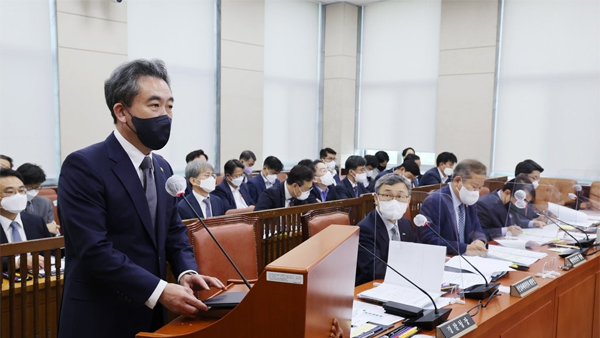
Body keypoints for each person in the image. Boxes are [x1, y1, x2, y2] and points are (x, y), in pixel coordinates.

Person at [57, 59, 225, 338]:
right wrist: (159, 290)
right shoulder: (84, 165)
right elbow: (94, 249)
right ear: (122, 112)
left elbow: (173, 232)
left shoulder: (162, 167)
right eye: (155, 105)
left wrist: (185, 272)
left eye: (170, 106)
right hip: (101, 316)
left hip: (152, 316)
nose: (166, 115)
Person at [356, 174, 417, 286]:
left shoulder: (406, 223)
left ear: (408, 200)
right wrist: (410, 271)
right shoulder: (365, 229)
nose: (394, 201)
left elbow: (414, 255)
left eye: (400, 196)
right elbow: (375, 269)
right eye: (387, 195)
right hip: (372, 286)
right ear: (376, 198)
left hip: (401, 283)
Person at [417, 159, 488, 256]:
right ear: (457, 181)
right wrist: (464, 248)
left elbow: (476, 227)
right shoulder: (435, 201)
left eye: (480, 188)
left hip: (468, 259)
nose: (476, 192)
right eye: (474, 187)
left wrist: (479, 240)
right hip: (445, 258)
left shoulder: (469, 200)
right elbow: (429, 238)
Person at [1, 169, 51, 270]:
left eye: (21, 191)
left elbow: (50, 251)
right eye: (10, 192)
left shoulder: (36, 221)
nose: (18, 196)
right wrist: (17, 262)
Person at [477, 176, 544, 240]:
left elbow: (515, 221)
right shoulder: (484, 204)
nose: (524, 205)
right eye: (523, 200)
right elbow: (478, 232)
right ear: (507, 193)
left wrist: (532, 223)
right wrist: (506, 230)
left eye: (527, 202)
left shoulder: (510, 201)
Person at [16, 163, 58, 234]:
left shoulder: (45, 203)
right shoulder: (10, 204)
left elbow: (53, 229)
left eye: (36, 187)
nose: (33, 190)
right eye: (30, 187)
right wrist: (45, 228)